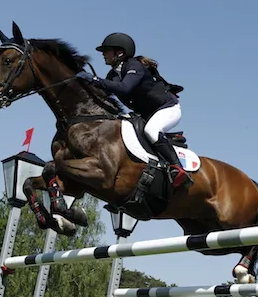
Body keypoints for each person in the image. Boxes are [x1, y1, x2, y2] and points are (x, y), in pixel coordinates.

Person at [76, 32, 193, 190]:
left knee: (151, 130)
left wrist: (95, 80)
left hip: (167, 108)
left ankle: (178, 169)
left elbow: (125, 88)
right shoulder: (113, 74)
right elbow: (105, 92)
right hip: (145, 114)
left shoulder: (134, 66)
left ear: (119, 52)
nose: (103, 54)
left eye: (106, 50)